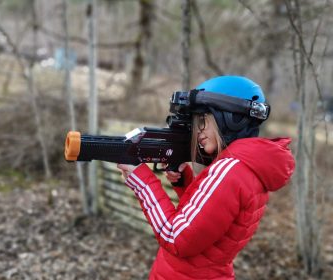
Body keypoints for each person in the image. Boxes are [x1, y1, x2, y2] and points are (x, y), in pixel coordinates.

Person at [117, 76, 295, 280]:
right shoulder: (246, 168)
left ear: (230, 119)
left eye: (203, 120)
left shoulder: (230, 170)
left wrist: (142, 183)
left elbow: (175, 237)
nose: (197, 131)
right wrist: (183, 182)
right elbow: (209, 219)